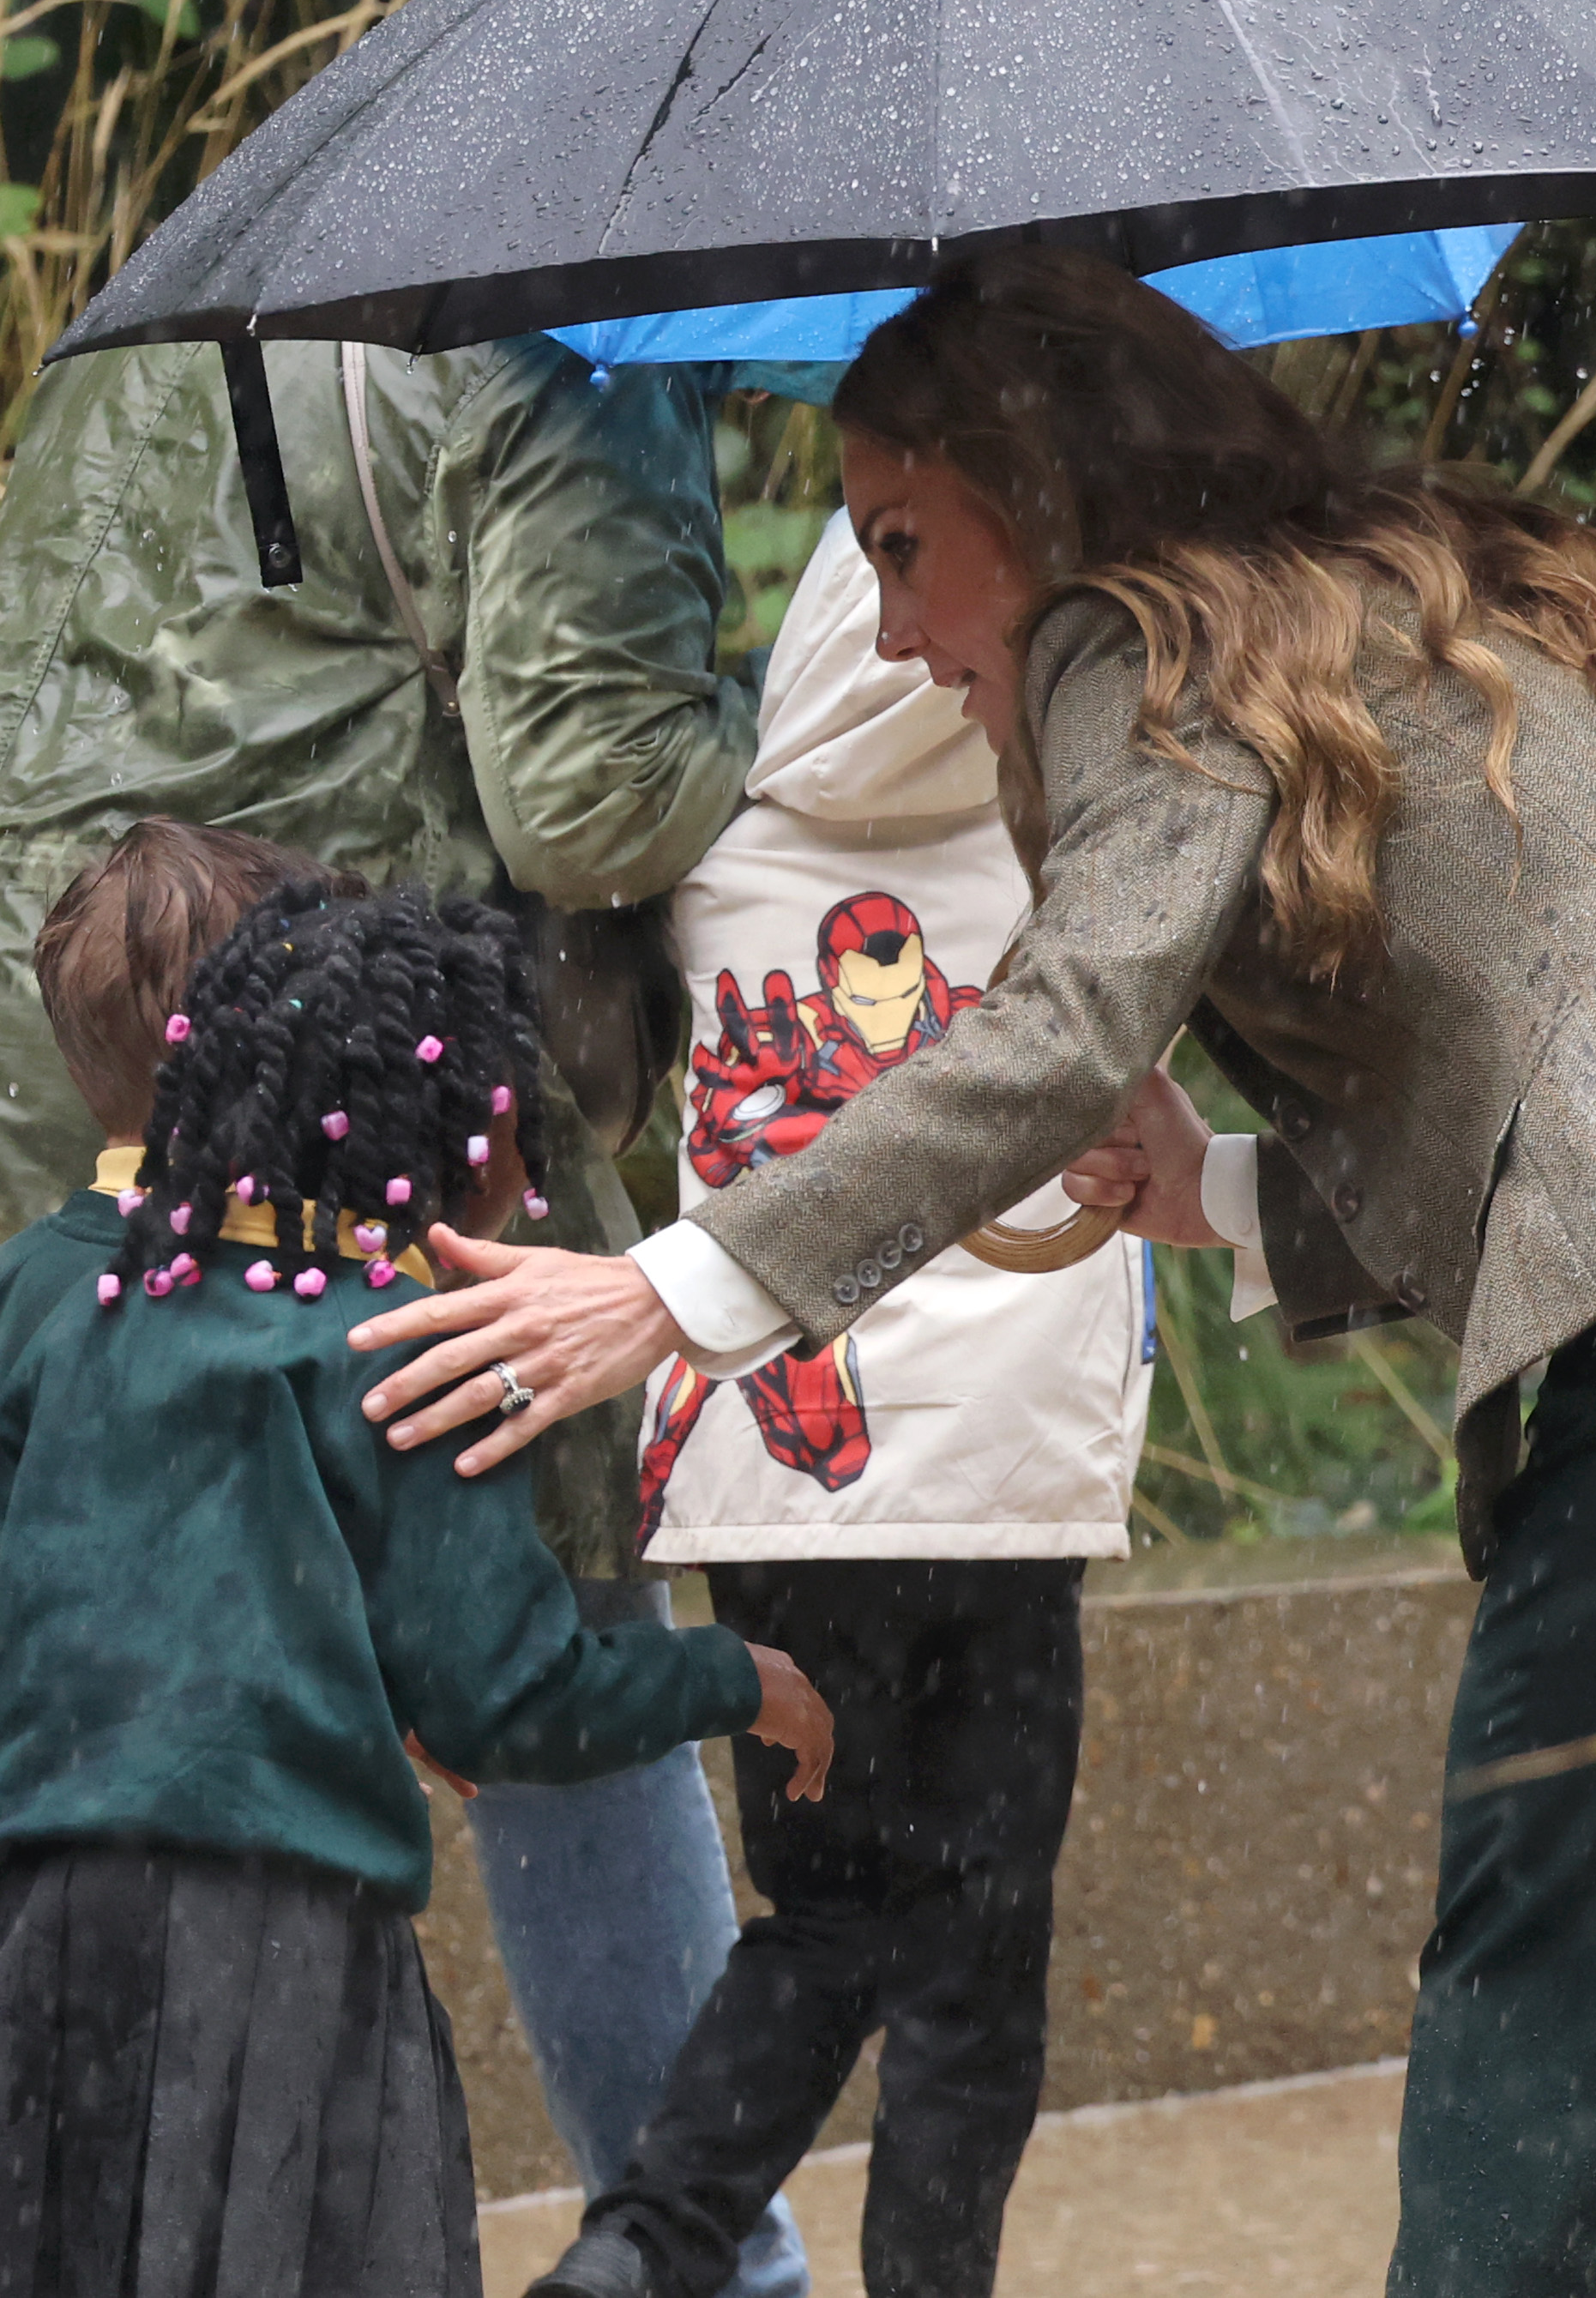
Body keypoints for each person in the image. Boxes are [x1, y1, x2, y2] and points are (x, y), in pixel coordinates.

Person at [346, 248, 1596, 2296]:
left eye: (904, 541)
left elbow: (1058, 1031)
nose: (890, 620)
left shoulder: (1135, 634)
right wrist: (1206, 1186)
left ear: (1029, 484)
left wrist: (677, 1287)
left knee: (1547, 1968)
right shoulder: (1453, 573)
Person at [0, 331, 810, 2291]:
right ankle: (707, 2259)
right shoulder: (567, 331)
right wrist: (792, 709)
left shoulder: (191, 308)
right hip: (305, 1072)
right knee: (553, 1568)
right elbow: (589, 788)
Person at [0, 851, 834, 2295]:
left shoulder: (40, 1312)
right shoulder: (394, 1344)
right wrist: (736, 1677)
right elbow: (505, 1692)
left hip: (13, 1925)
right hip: (280, 1949)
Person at [532, 518, 1152, 2298]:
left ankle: (643, 2244)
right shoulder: (1088, 833)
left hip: (779, 1463)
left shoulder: (706, 839)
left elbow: (613, 1067)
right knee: (974, 1970)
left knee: (818, 1918)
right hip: (1002, 1478)